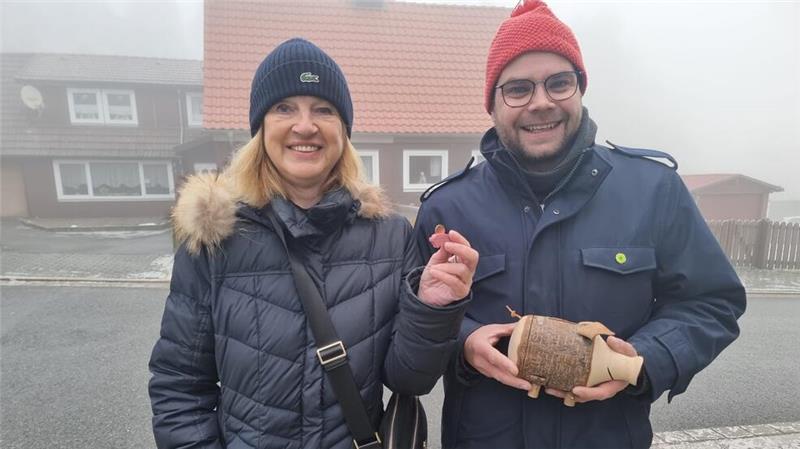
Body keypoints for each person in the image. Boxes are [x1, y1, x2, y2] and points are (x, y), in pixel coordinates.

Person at [412, 1, 746, 448]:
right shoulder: (447, 209)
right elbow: (411, 325)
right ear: (491, 103)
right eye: (518, 89)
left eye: (559, 83)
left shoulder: (654, 189)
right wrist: (466, 343)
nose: (542, 102)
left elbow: (711, 303)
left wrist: (645, 358)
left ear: (581, 89)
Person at [148, 38, 478, 449]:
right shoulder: (215, 238)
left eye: (323, 109)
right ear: (261, 128)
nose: (305, 126)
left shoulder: (390, 235)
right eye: (284, 107)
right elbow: (180, 387)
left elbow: (409, 379)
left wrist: (431, 307)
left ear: (343, 131)